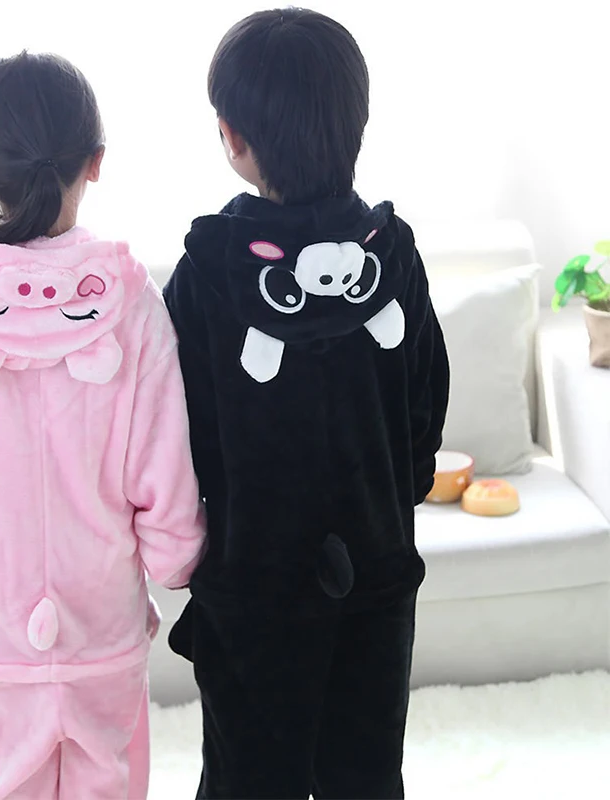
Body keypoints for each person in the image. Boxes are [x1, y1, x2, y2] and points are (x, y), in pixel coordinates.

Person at [0, 51, 205, 800]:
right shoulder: (129, 299)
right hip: (102, 615)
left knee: (0, 783)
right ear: (96, 162)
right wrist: (174, 559)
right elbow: (161, 458)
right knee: (109, 781)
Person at [164, 9, 450, 799]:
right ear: (358, 121)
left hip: (252, 580)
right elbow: (425, 396)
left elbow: (178, 426)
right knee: (365, 775)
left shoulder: (211, 271)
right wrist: (397, 491)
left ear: (231, 136)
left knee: (248, 780)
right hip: (377, 566)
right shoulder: (392, 257)